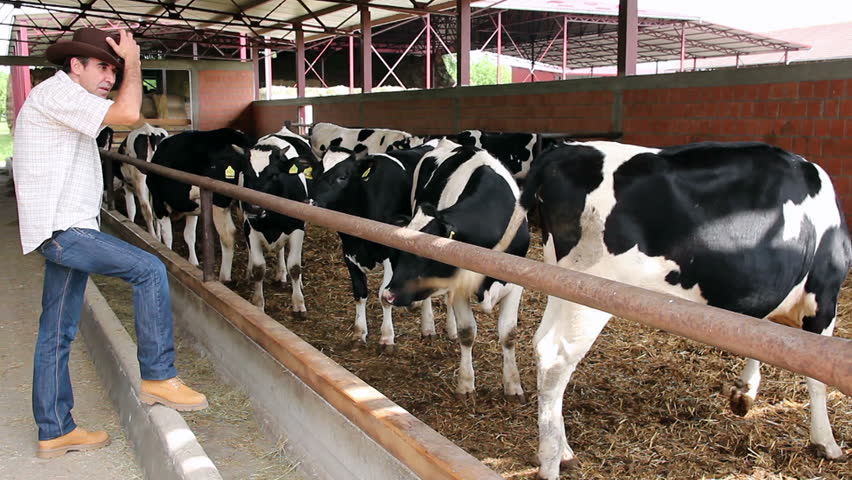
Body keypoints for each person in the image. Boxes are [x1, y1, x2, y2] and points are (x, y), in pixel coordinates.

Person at [12, 27, 208, 460]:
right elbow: (129, 113)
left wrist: (125, 68)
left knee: (56, 333)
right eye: (102, 66)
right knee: (149, 269)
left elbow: (119, 110)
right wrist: (135, 62)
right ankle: (158, 376)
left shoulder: (68, 99)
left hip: (63, 227)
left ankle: (55, 430)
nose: (110, 76)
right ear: (75, 65)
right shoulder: (59, 93)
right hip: (65, 231)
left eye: (115, 69)